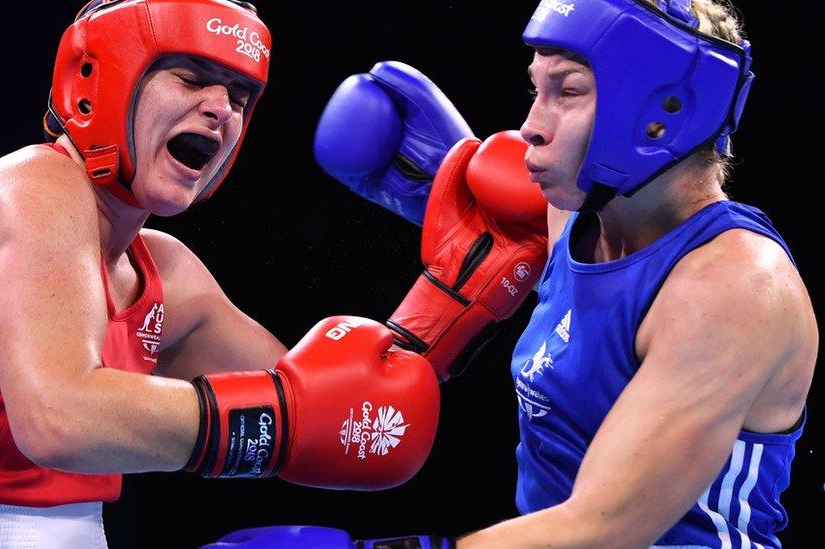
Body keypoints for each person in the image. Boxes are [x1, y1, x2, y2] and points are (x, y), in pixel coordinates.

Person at [204, 0, 818, 547]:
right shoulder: (573, 221)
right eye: (536, 89)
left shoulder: (734, 288)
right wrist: (441, 185)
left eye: (568, 91)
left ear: (659, 115)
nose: (531, 123)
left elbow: (603, 529)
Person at [0, 1, 447, 545]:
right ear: (106, 80)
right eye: (191, 79)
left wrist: (467, 264)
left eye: (240, 96)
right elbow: (59, 416)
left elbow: (340, 409)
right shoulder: (31, 188)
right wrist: (266, 422)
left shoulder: (165, 270)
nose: (221, 108)